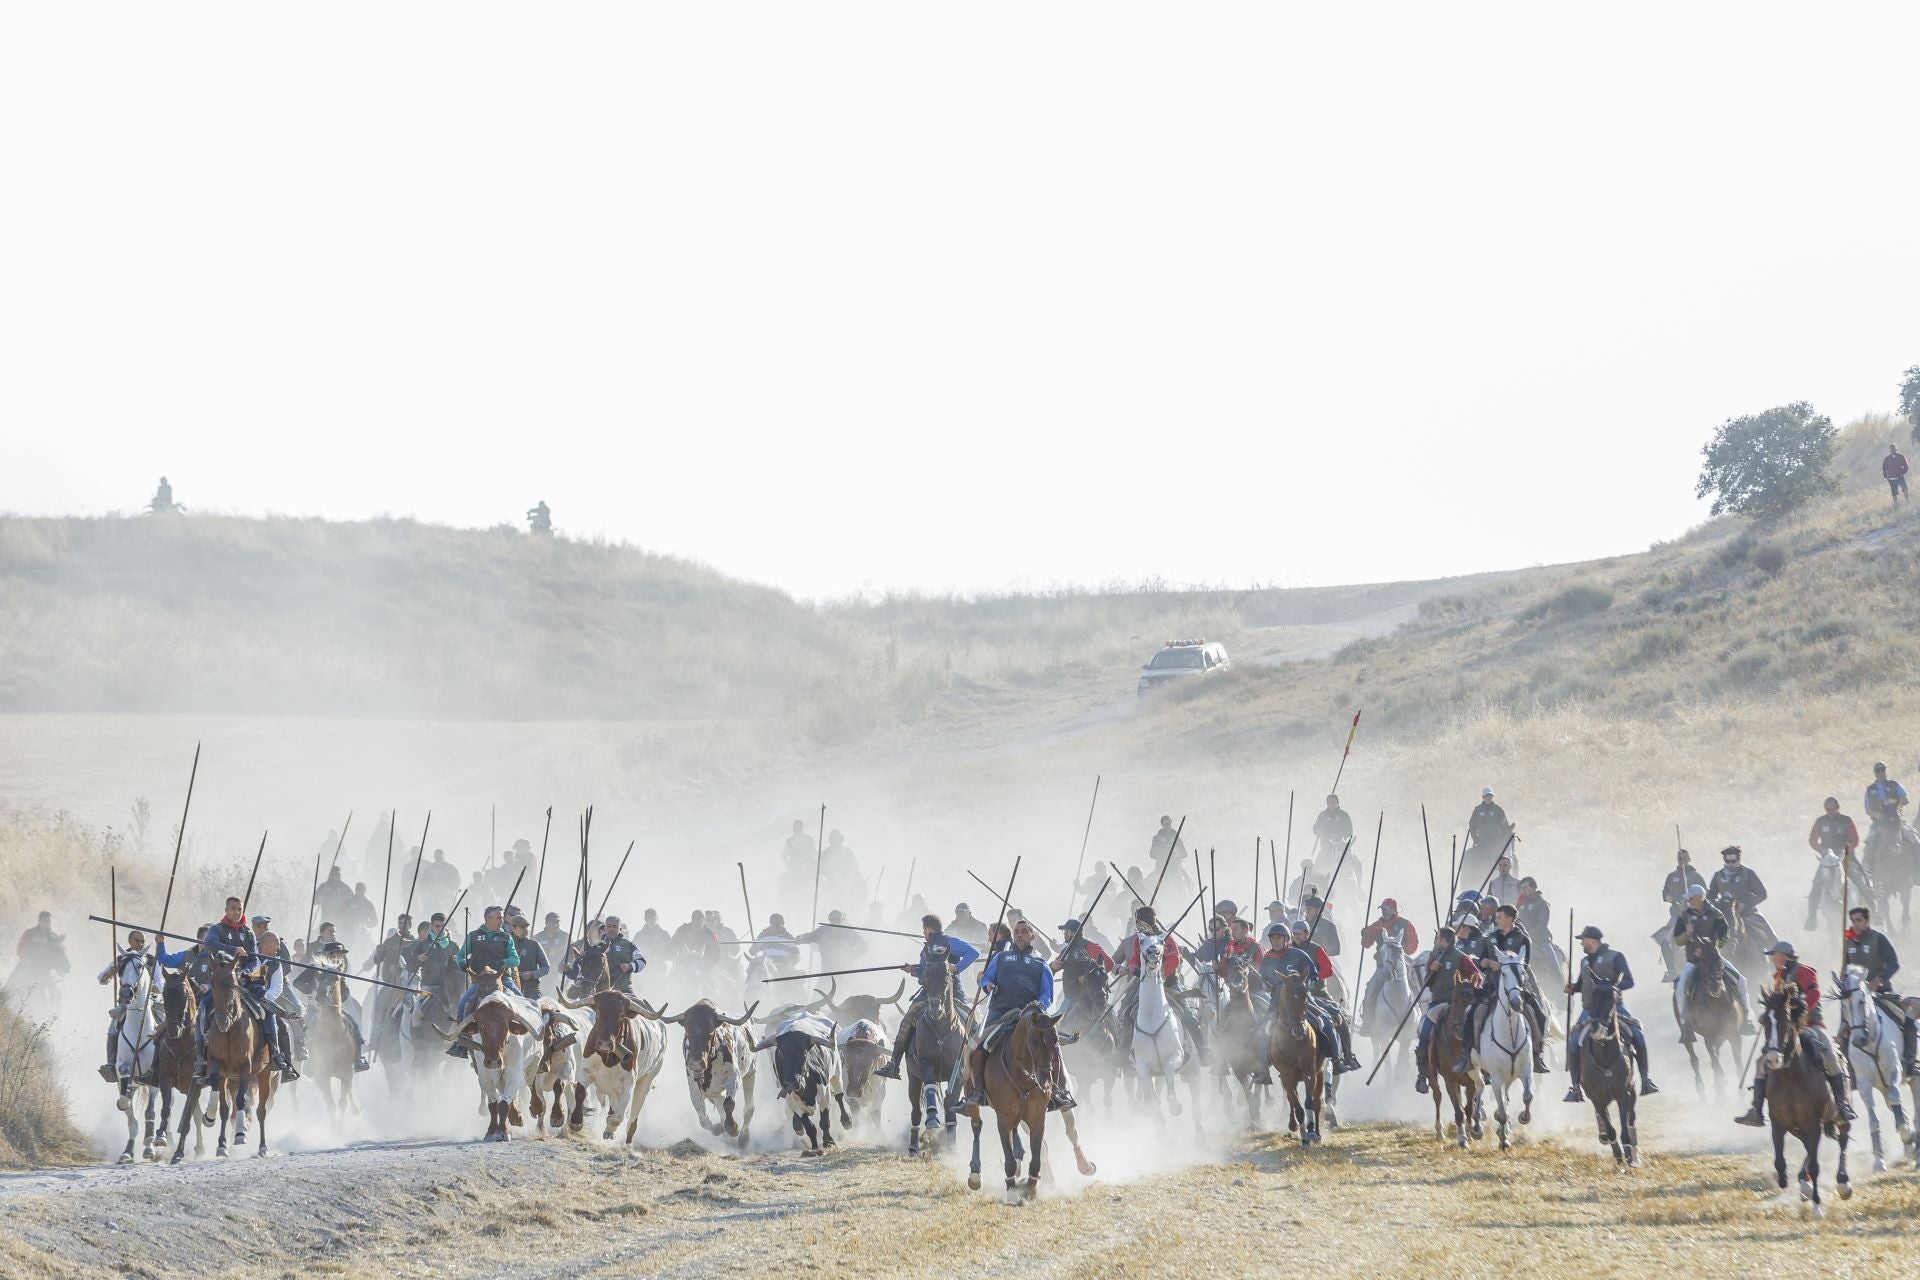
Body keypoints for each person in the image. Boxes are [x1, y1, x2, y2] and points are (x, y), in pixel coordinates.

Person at [1736, 940, 1851, 1126]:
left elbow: (1814, 994)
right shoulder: (1778, 977)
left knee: (1830, 1056)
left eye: (1775, 955)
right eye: (1772, 955)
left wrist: (1801, 1017)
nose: (1772, 958)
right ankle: (1756, 1110)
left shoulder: (1803, 971)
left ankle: (1842, 1104)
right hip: (1786, 1031)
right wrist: (1768, 1015)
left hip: (1811, 1025)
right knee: (1761, 1062)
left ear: (1785, 956)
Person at [960, 919, 1070, 1110]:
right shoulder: (1001, 958)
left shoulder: (1041, 964)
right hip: (1000, 1014)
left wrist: (1036, 1007)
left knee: (1053, 1046)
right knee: (976, 1046)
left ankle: (1058, 1092)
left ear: (1032, 936)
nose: (1020, 934)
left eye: (1024, 931)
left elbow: (1046, 995)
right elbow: (986, 978)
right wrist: (987, 984)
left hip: (1029, 1017)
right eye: (1017, 931)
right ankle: (977, 1091)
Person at [876, 914, 981, 1081]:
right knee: (974, 1023)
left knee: (906, 1023)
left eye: (924, 929)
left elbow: (974, 953)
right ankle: (894, 1064)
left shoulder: (949, 942)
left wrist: (956, 968)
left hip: (951, 996)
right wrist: (913, 970)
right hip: (929, 994)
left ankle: (894, 1064)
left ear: (929, 928)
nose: (923, 932)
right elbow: (926, 975)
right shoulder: (927, 949)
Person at [1562, 925, 1657, 1103]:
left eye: (1583, 940)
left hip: (1614, 1006)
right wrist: (1573, 988)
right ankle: (1575, 1087)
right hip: (1589, 1009)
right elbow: (1582, 985)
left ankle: (1646, 1079)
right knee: (1573, 1041)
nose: (1581, 943)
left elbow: (1629, 981)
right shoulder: (1584, 961)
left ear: (1592, 940)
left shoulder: (1616, 957)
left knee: (1637, 1035)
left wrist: (1611, 987)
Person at [1456, 905, 1551, 1075]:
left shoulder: (1523, 939)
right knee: (1471, 1014)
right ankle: (1467, 1055)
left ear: (1510, 918)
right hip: (1492, 986)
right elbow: (1481, 960)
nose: (1496, 919)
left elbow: (1524, 965)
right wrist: (1483, 963)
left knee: (1539, 1015)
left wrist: (1499, 965)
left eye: (1499, 917)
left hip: (1516, 988)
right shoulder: (1490, 937)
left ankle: (1536, 1055)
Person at [1263, 919, 1361, 1073]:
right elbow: (1265, 979)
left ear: (1286, 939)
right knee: (1261, 1029)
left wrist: (1304, 985)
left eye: (1279, 938)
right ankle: (1262, 1067)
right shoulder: (1268, 958)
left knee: (1328, 1021)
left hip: (1305, 998)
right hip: (1277, 1003)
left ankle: (1338, 1059)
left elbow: (1318, 974)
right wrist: (1266, 986)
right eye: (1273, 938)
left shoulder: (1301, 954)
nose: (1275, 942)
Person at [96, 929, 188, 1080]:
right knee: (113, 1029)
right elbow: (101, 979)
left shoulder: (151, 960)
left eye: (142, 941)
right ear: (130, 941)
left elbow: (160, 981)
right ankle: (112, 1065)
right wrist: (110, 972)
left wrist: (153, 987)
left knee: (167, 1026)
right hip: (127, 1005)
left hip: (151, 1003)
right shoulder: (121, 959)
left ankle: (173, 1063)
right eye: (136, 940)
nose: (139, 944)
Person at [1842, 905, 1919, 1074]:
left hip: (1882, 994)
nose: (1855, 924)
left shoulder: (1878, 938)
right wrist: (1844, 986)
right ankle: (1850, 1068)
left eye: (1859, 920)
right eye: (1853, 920)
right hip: (1858, 995)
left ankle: (1911, 1061)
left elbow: (1894, 963)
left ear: (1867, 921)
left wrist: (1879, 979)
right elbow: (1846, 968)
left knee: (1907, 1020)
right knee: (1845, 1026)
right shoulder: (1848, 943)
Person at [1671, 885, 1753, 1037]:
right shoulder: (1685, 916)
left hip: (1715, 959)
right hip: (1694, 961)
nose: (1688, 900)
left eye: (1691, 898)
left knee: (1741, 980)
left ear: (1700, 898)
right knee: (1680, 988)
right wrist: (1686, 934)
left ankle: (1747, 1018)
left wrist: (1713, 949)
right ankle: (1686, 1024)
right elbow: (1678, 940)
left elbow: (1725, 934)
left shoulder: (1716, 914)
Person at [193, 898, 260, 1085]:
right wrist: (234, 949)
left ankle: (275, 1054)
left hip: (241, 983)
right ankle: (201, 1059)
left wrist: (243, 972)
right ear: (226, 910)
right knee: (202, 1011)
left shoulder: (248, 933)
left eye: (239, 909)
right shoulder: (217, 929)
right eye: (233, 909)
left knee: (265, 1013)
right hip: (220, 982)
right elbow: (210, 945)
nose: (237, 912)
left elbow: (255, 960)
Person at [447, 906, 521, 1057]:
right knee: (463, 1004)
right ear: (488, 919)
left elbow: (515, 959)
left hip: (503, 979)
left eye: (502, 917)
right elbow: (460, 956)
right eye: (499, 917)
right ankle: (461, 1040)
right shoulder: (473, 936)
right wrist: (462, 964)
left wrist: (502, 962)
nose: (502, 920)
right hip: (480, 981)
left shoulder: (507, 937)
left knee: (522, 999)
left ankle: (529, 1036)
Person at [1409, 924, 1475, 1094]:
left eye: (1438, 939)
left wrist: (1467, 986)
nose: (1436, 942)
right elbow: (1428, 983)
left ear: (1445, 941)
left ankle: (1484, 1069)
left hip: (1458, 1004)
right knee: (1423, 1032)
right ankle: (1422, 1074)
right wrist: (1432, 970)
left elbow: (1477, 977)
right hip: (1437, 1003)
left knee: (1477, 1029)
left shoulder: (1461, 958)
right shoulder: (1434, 957)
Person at [291, 940, 370, 1072]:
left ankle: (358, 1059)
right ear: (327, 955)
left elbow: (345, 992)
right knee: (306, 1029)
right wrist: (313, 990)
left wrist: (337, 995)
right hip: (314, 1008)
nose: (339, 957)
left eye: (340, 955)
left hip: (334, 1009)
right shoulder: (314, 968)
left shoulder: (337, 972)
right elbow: (297, 983)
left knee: (353, 1026)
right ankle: (304, 1057)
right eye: (336, 955)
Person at [1358, 899, 1420, 1032]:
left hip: (1402, 967)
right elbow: (1366, 944)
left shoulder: (1406, 924)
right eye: (1382, 909)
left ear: (1394, 910)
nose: (1383, 911)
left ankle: (1420, 1021)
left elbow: (1414, 944)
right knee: (1370, 989)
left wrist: (1400, 951)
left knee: (1417, 989)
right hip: (1382, 967)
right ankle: (1368, 1022)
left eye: (1386, 909)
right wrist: (1365, 935)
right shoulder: (1377, 925)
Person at [248, 932, 300, 1078]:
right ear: (265, 945)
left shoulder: (276, 964)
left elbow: (277, 987)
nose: (278, 948)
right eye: (276, 944)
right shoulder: (249, 954)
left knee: (283, 1027)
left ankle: (285, 1066)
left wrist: (264, 998)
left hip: (264, 1002)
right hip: (244, 997)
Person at [1807, 796, 1863, 929]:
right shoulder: (1820, 822)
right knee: (1816, 884)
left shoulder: (1846, 821)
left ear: (1838, 808)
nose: (1830, 811)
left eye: (1833, 809)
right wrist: (1822, 850)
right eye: (1828, 809)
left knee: (1860, 880)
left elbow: (1855, 839)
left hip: (1846, 857)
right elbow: (1813, 840)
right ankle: (1811, 917)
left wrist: (1846, 849)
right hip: (1827, 859)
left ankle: (1873, 907)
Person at [1654, 850, 1707, 980]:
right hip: (1676, 916)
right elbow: (1664, 892)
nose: (1682, 861)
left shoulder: (1696, 876)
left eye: (1684, 859)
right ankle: (1671, 971)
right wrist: (1667, 896)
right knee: (1663, 939)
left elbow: (1705, 893)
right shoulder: (1672, 876)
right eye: (1679, 859)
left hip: (1694, 915)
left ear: (1689, 859)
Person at [1708, 845, 1775, 948]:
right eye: (1727, 861)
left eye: (1733, 861)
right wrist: (1718, 904)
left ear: (1738, 860)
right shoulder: (1718, 876)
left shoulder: (1748, 873)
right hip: (1725, 914)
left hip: (1747, 913)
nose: (1730, 864)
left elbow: (1762, 893)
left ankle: (1779, 957)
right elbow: (1710, 896)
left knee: (1771, 937)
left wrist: (1745, 904)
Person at [13, 910, 70, 998]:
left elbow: (61, 954)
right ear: (39, 921)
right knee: (12, 982)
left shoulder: (53, 937)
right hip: (29, 966)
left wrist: (64, 967)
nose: (47, 923)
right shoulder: (29, 933)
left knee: (56, 992)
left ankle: (55, 1010)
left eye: (49, 921)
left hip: (45, 971)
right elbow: (20, 949)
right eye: (45, 921)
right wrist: (27, 960)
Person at [1864, 762, 1910, 856]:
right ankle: (1867, 866)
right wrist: (1878, 815)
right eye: (1878, 771)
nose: (1881, 773)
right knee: (1869, 843)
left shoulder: (1894, 784)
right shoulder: (1870, 789)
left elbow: (1905, 799)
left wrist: (1899, 804)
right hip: (1878, 822)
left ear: (1886, 771)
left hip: (1896, 819)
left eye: (1883, 770)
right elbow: (1868, 810)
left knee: (1912, 837)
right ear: (1875, 773)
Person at [1467, 788, 1514, 864]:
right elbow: (1472, 825)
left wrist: (1500, 840)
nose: (1489, 797)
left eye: (1491, 796)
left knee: (1510, 859)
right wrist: (1475, 839)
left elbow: (1504, 826)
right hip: (1482, 842)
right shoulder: (1477, 810)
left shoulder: (1498, 810)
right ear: (1483, 797)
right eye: (1487, 796)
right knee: (1468, 857)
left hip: (1495, 843)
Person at [510, 915, 551, 1000]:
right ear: (513, 928)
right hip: (510, 989)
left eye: (526, 927)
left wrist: (532, 974)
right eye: (522, 927)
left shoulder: (534, 944)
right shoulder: (504, 943)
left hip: (531, 990)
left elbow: (546, 967)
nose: (526, 930)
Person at [1311, 794, 1354, 860]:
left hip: (1341, 848)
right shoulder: (1323, 815)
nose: (1331, 805)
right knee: (1318, 865)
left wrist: (1339, 835)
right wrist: (1321, 834)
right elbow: (1315, 828)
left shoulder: (1344, 815)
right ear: (1327, 803)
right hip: (1326, 846)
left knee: (1357, 864)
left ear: (1337, 802)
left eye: (1333, 802)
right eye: (1329, 803)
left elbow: (1350, 831)